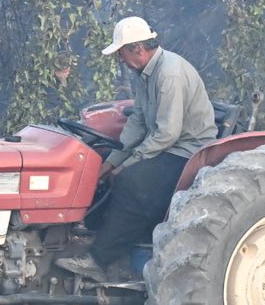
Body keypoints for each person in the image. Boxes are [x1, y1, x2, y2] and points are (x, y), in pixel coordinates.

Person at [56, 16, 217, 281]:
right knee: (96, 164)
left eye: (121, 53)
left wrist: (126, 165)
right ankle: (85, 232)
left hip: (186, 151)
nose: (120, 59)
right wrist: (112, 160)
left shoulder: (170, 74)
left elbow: (167, 133)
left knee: (133, 182)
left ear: (138, 49)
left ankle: (100, 259)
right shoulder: (145, 74)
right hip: (164, 144)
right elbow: (139, 120)